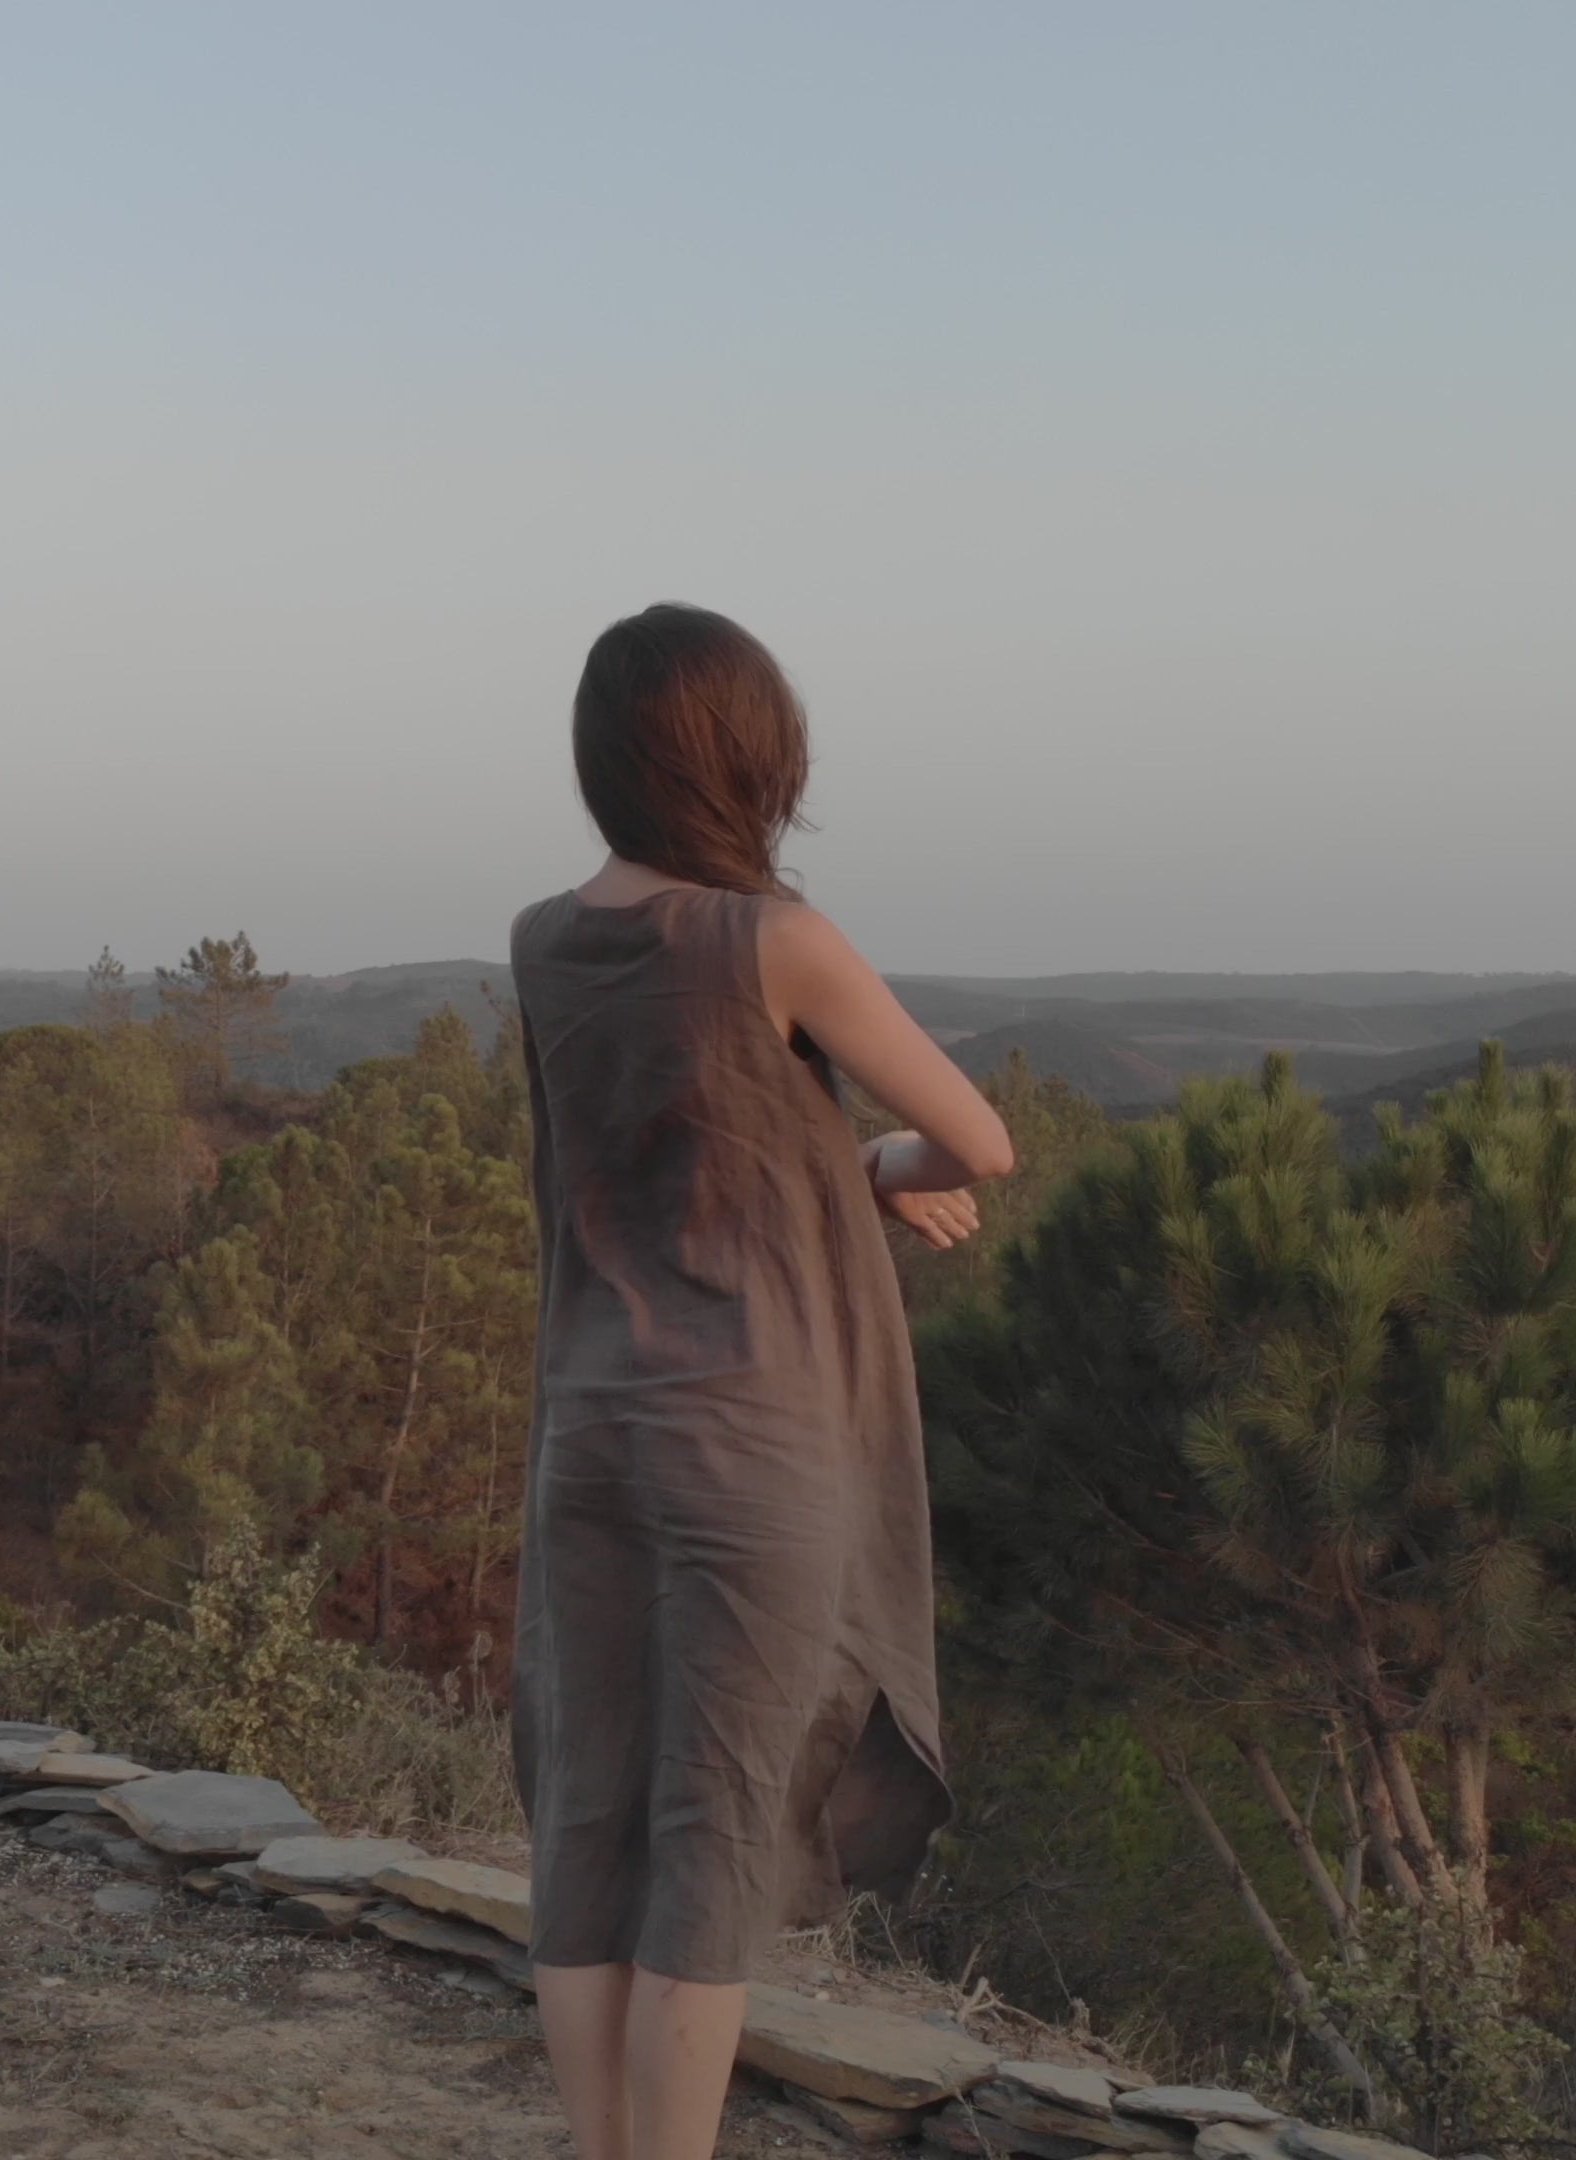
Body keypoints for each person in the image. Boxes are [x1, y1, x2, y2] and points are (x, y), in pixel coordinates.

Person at [510, 603, 1015, 2160]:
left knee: (586, 1834)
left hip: (591, 1430)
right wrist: (876, 1159)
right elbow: (981, 1143)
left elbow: (671, 1147)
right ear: (753, 754)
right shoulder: (776, 940)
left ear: (606, 760)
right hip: (753, 1443)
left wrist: (830, 1162)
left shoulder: (541, 941)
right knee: (710, 1846)